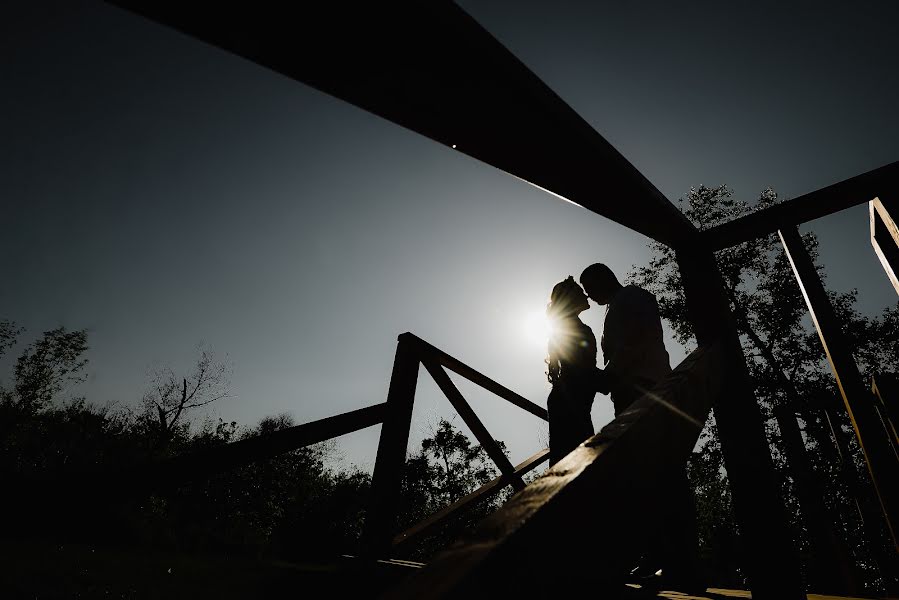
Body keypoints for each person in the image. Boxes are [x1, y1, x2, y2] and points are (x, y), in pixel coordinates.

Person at [579, 262, 704, 592]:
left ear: (601, 280)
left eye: (589, 288)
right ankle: (662, 557)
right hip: (639, 392)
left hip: (644, 392)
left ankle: (679, 563)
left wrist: (608, 374)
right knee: (648, 476)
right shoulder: (625, 303)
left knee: (659, 475)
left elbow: (632, 343)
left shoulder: (630, 300)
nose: (589, 296)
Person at [545, 276, 597, 466]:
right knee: (572, 465)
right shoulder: (572, 328)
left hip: (571, 402)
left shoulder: (566, 327)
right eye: (580, 292)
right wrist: (613, 378)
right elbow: (579, 369)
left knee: (570, 463)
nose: (586, 295)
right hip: (570, 404)